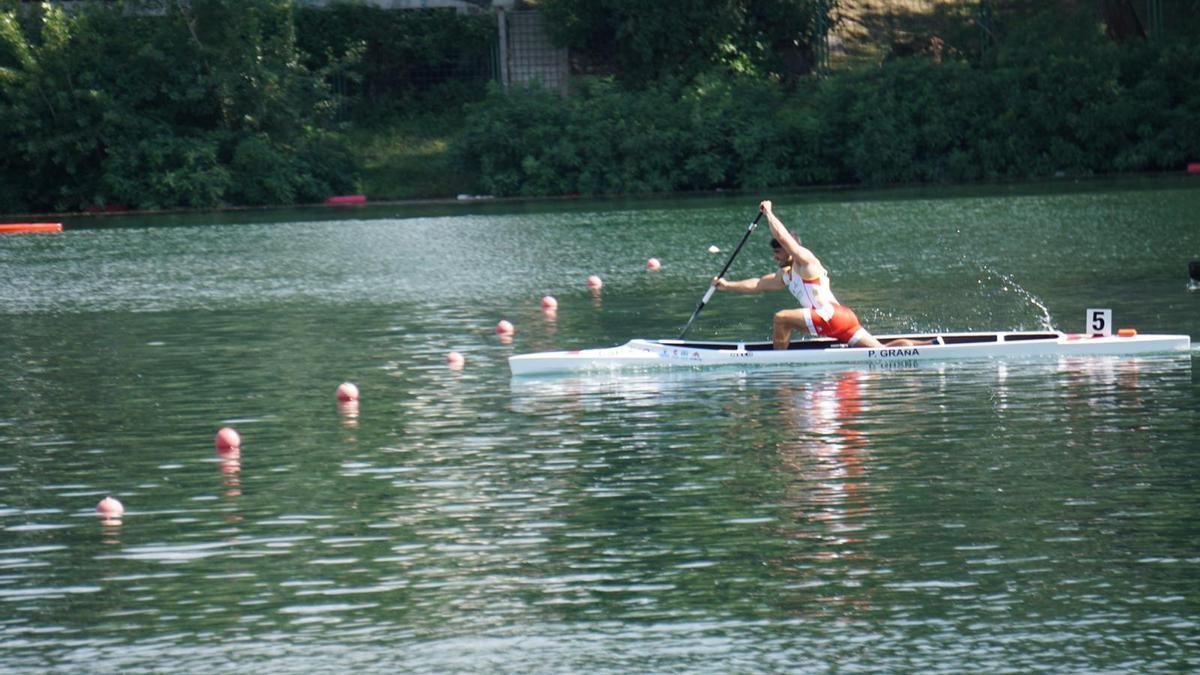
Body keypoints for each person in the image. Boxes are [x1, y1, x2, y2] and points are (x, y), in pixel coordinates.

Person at [713, 200, 929, 350]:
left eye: (777, 252)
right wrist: (726, 285)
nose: (775, 257)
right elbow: (758, 284)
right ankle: (928, 347)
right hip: (843, 318)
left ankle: (778, 365)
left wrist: (768, 212)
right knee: (883, 351)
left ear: (789, 249)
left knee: (781, 318)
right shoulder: (786, 274)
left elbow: (782, 235)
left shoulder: (805, 261)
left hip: (831, 316)